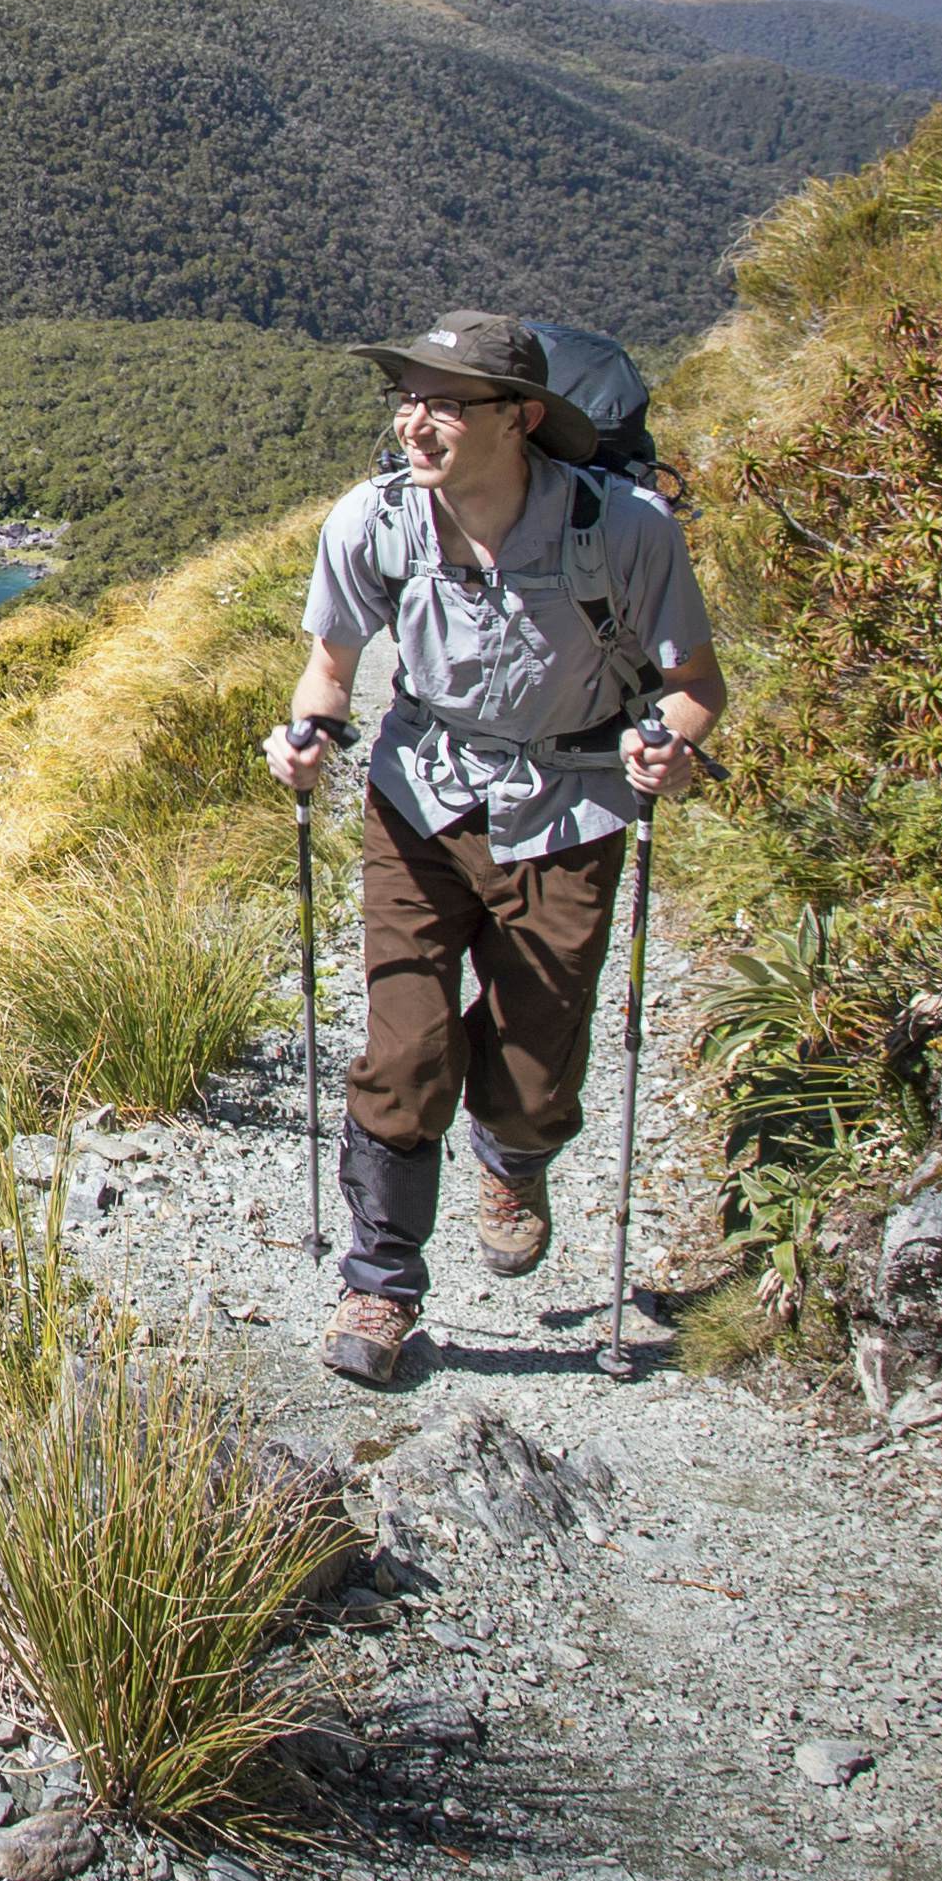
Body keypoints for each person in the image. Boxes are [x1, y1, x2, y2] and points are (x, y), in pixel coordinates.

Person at [262, 311, 721, 1388]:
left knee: (530, 1061)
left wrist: (673, 752)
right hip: (417, 797)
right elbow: (330, 668)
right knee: (404, 1048)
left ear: (518, 419)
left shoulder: (625, 531)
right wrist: (307, 738)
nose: (413, 424)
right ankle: (379, 1284)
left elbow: (691, 685)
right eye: (405, 399)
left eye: (441, 404)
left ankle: (512, 1158)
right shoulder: (371, 523)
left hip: (570, 807)